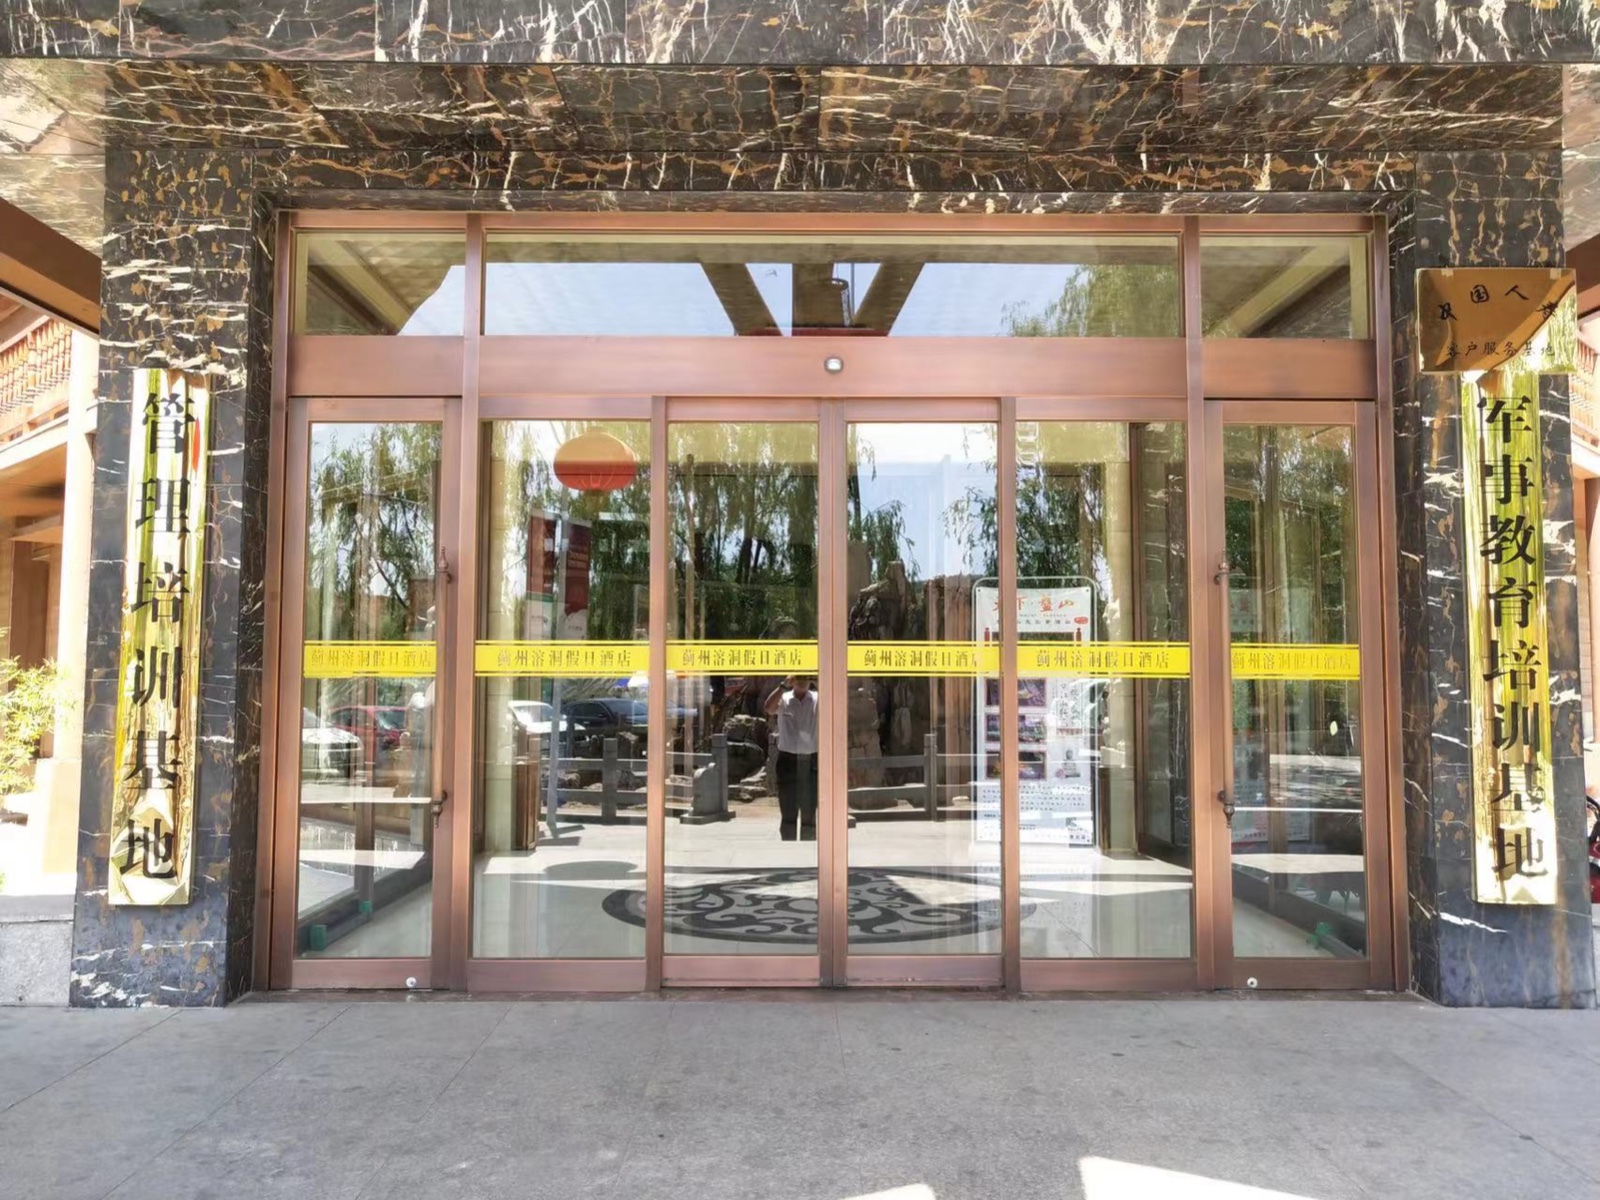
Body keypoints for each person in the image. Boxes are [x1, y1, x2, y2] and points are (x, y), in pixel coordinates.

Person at [764, 674, 818, 841]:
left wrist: (820, 681)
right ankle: (789, 848)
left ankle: (808, 848)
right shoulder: (784, 698)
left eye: (805, 676)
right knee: (788, 810)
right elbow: (769, 708)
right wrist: (782, 686)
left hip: (811, 760)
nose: (802, 680)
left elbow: (835, 706)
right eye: (798, 677)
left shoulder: (818, 698)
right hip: (788, 760)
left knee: (809, 811)